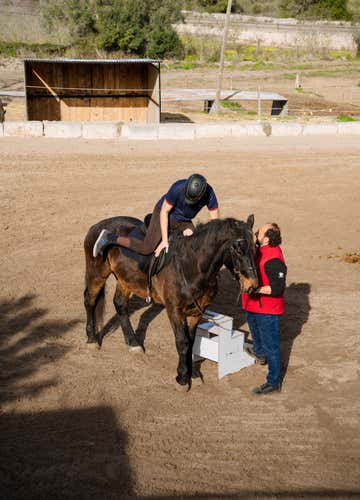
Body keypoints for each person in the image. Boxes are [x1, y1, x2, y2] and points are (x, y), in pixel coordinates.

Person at [93, 173, 219, 258]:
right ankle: (110, 237)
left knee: (193, 240)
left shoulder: (209, 194)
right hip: (164, 213)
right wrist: (164, 240)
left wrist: (197, 231)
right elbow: (165, 211)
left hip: (184, 220)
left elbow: (215, 222)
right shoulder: (177, 188)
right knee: (147, 248)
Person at [242, 222, 287, 395]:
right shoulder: (260, 249)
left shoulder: (274, 259)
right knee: (255, 332)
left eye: (258, 232)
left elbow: (278, 288)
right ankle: (259, 354)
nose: (255, 233)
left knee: (272, 347)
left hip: (267, 310)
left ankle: (274, 382)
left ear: (266, 239)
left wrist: (256, 289)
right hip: (253, 305)